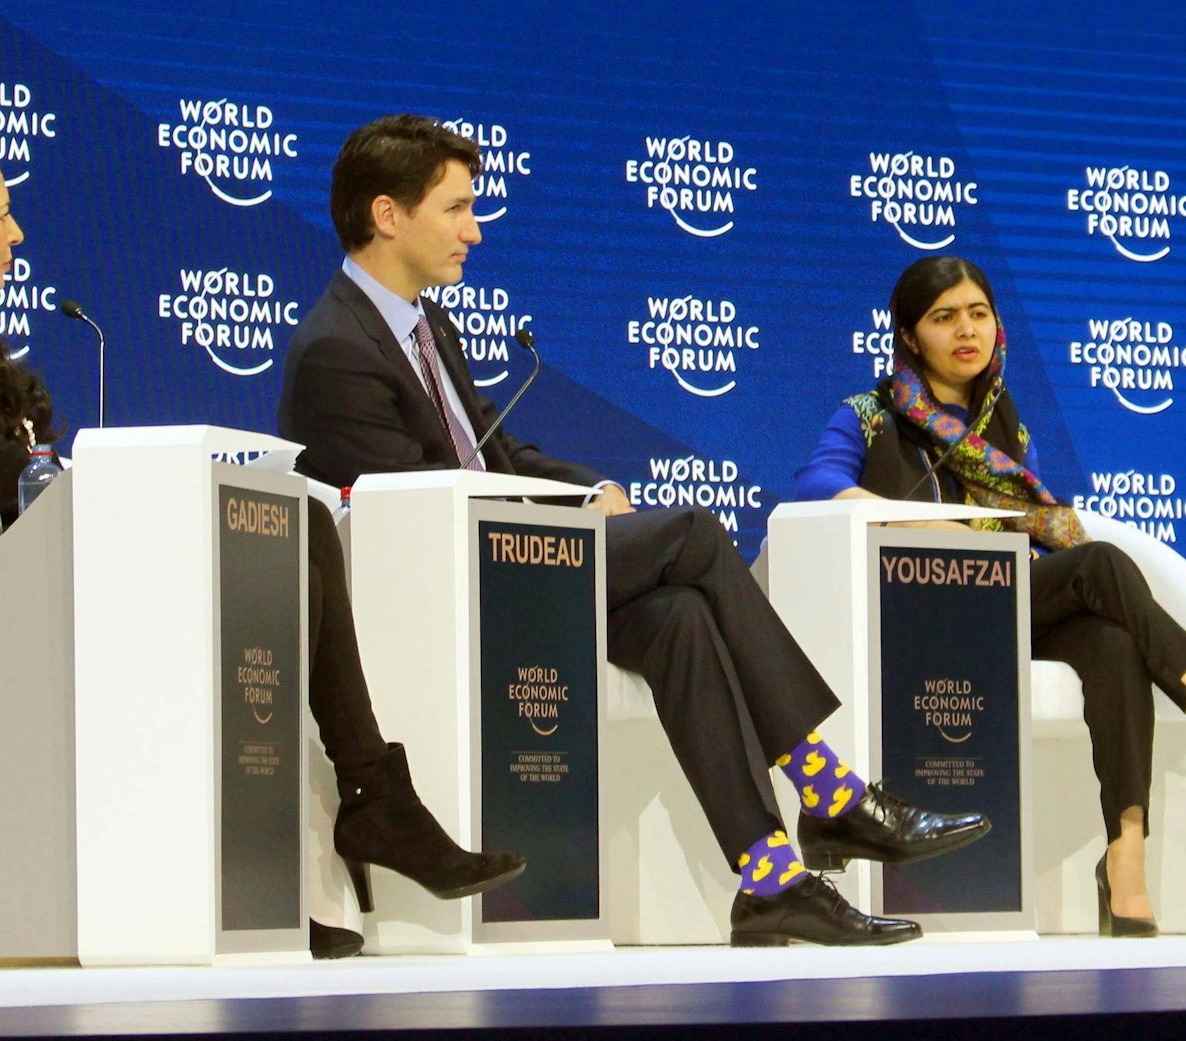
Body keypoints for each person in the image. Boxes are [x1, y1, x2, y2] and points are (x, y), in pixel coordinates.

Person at [277, 115, 990, 947]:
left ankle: (771, 879)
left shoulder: (428, 326)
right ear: (388, 215)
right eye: (457, 209)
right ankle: (827, 789)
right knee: (691, 534)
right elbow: (414, 517)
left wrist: (593, 491)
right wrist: (566, 523)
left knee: (679, 619)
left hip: (507, 555)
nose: (475, 230)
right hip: (453, 584)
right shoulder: (337, 348)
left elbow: (495, 455)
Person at [0, 130, 524, 960]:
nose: (17, 234)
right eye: (0, 215)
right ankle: (365, 804)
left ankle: (329, 837)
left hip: (38, 579)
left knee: (301, 528)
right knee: (292, 542)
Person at [793, 255, 1186, 937]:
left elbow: (1032, 540)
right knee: (1096, 565)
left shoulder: (1009, 432)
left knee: (1113, 641)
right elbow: (814, 487)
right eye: (943, 317)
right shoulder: (867, 415)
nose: (965, 330)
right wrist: (906, 515)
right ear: (910, 336)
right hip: (911, 607)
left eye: (978, 314)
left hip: (996, 603)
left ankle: (1126, 859)